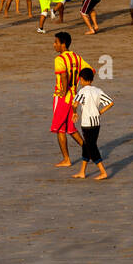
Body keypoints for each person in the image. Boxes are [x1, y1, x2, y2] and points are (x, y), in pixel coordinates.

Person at [50, 32, 89, 168]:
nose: (54, 45)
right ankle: (89, 151)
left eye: (56, 42)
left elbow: (64, 75)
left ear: (63, 44)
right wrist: (80, 85)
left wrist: (64, 90)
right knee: (70, 128)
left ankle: (66, 159)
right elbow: (89, 71)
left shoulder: (59, 59)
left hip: (62, 97)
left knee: (60, 129)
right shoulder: (77, 57)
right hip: (73, 96)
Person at [72, 68, 113, 180]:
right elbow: (110, 103)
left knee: (91, 147)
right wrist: (100, 112)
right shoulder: (98, 90)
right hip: (96, 123)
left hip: (87, 124)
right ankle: (82, 172)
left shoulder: (82, 91)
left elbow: (75, 105)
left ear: (82, 79)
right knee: (86, 145)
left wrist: (75, 113)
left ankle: (103, 171)